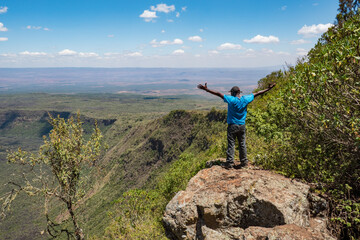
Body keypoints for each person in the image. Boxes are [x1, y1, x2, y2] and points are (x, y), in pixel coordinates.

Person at [197, 82, 276, 169]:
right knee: (242, 143)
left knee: (231, 144)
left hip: (232, 125)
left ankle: (230, 163)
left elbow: (219, 94)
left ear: (233, 93)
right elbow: (257, 93)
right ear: (239, 92)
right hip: (242, 125)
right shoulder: (245, 99)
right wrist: (269, 89)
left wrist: (206, 89)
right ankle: (244, 161)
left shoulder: (232, 100)